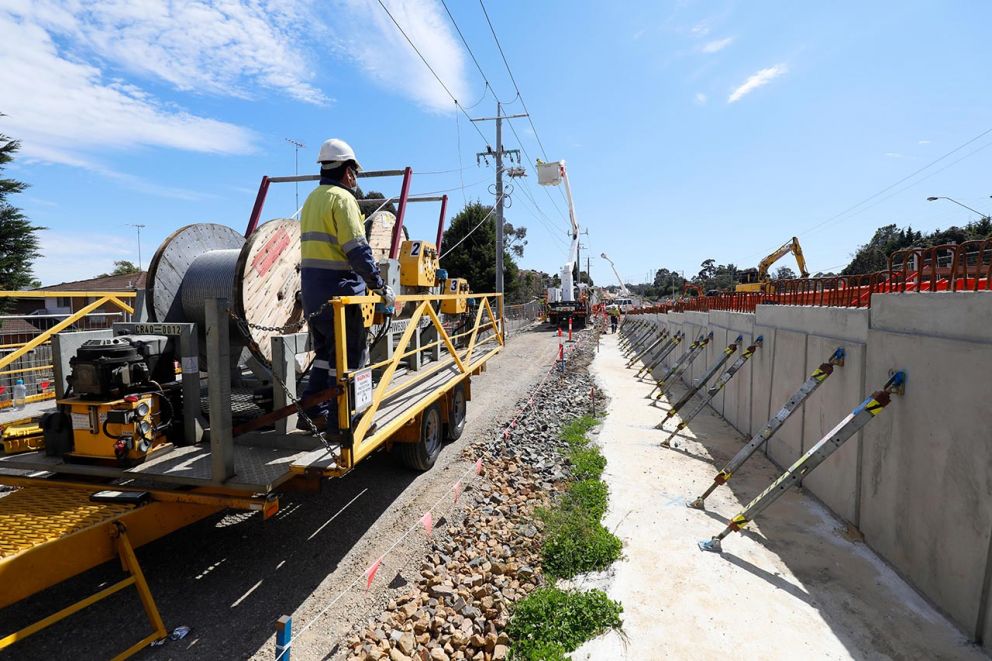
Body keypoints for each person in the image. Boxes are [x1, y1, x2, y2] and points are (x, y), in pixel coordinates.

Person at [299, 138, 395, 430]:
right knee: (353, 358)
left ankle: (312, 411)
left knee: (326, 357)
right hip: (341, 295)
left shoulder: (312, 200)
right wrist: (379, 287)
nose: (355, 178)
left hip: (314, 296)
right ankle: (348, 421)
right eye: (354, 172)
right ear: (347, 171)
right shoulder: (343, 201)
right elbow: (357, 250)